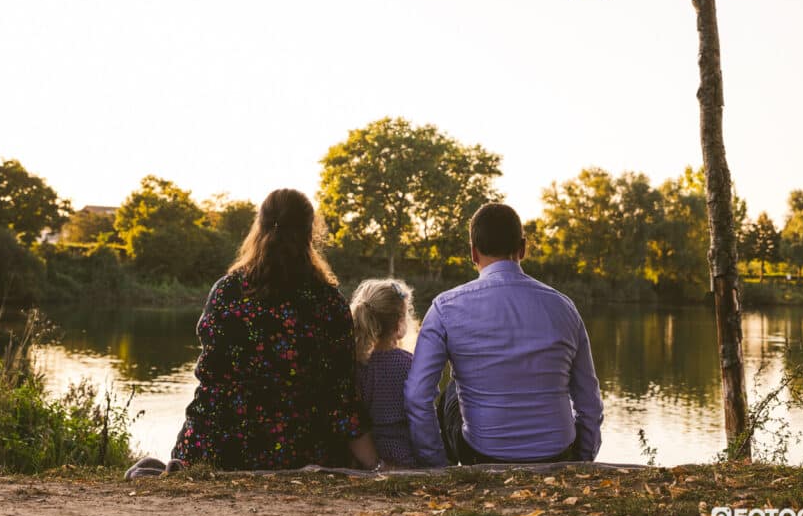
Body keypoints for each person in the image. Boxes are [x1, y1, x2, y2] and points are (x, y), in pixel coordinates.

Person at [170, 189, 379, 471]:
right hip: (297, 451)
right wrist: (374, 464)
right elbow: (340, 397)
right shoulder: (328, 303)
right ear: (310, 233)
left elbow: (210, 375)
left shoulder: (225, 292)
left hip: (216, 445)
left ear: (259, 225)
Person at [404, 203, 604, 466]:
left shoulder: (445, 308)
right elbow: (589, 400)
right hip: (557, 453)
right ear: (522, 248)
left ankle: (452, 466)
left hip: (481, 455)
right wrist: (581, 458)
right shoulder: (564, 307)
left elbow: (418, 396)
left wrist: (436, 464)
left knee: (453, 388)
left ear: (473, 253)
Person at [350, 279, 417, 468]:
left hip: (366, 456)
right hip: (405, 455)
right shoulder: (409, 364)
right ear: (399, 324)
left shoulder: (357, 364)